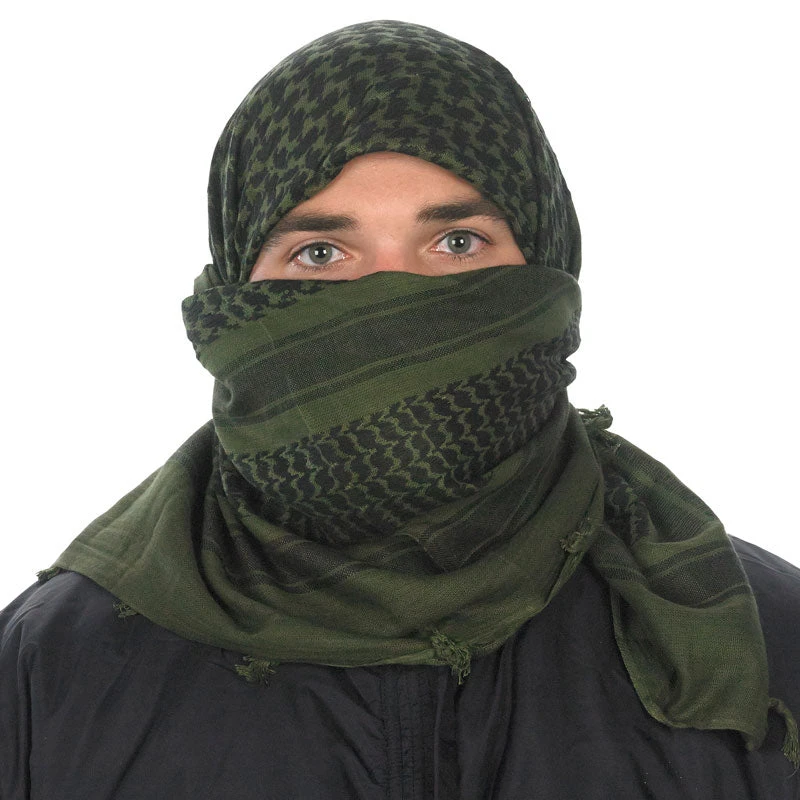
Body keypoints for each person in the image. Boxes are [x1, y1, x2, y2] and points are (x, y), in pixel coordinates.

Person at [1, 19, 799, 799]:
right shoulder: (53, 669)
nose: (392, 301)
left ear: (551, 260)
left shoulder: (759, 639)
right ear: (235, 290)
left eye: (457, 243)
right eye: (320, 253)